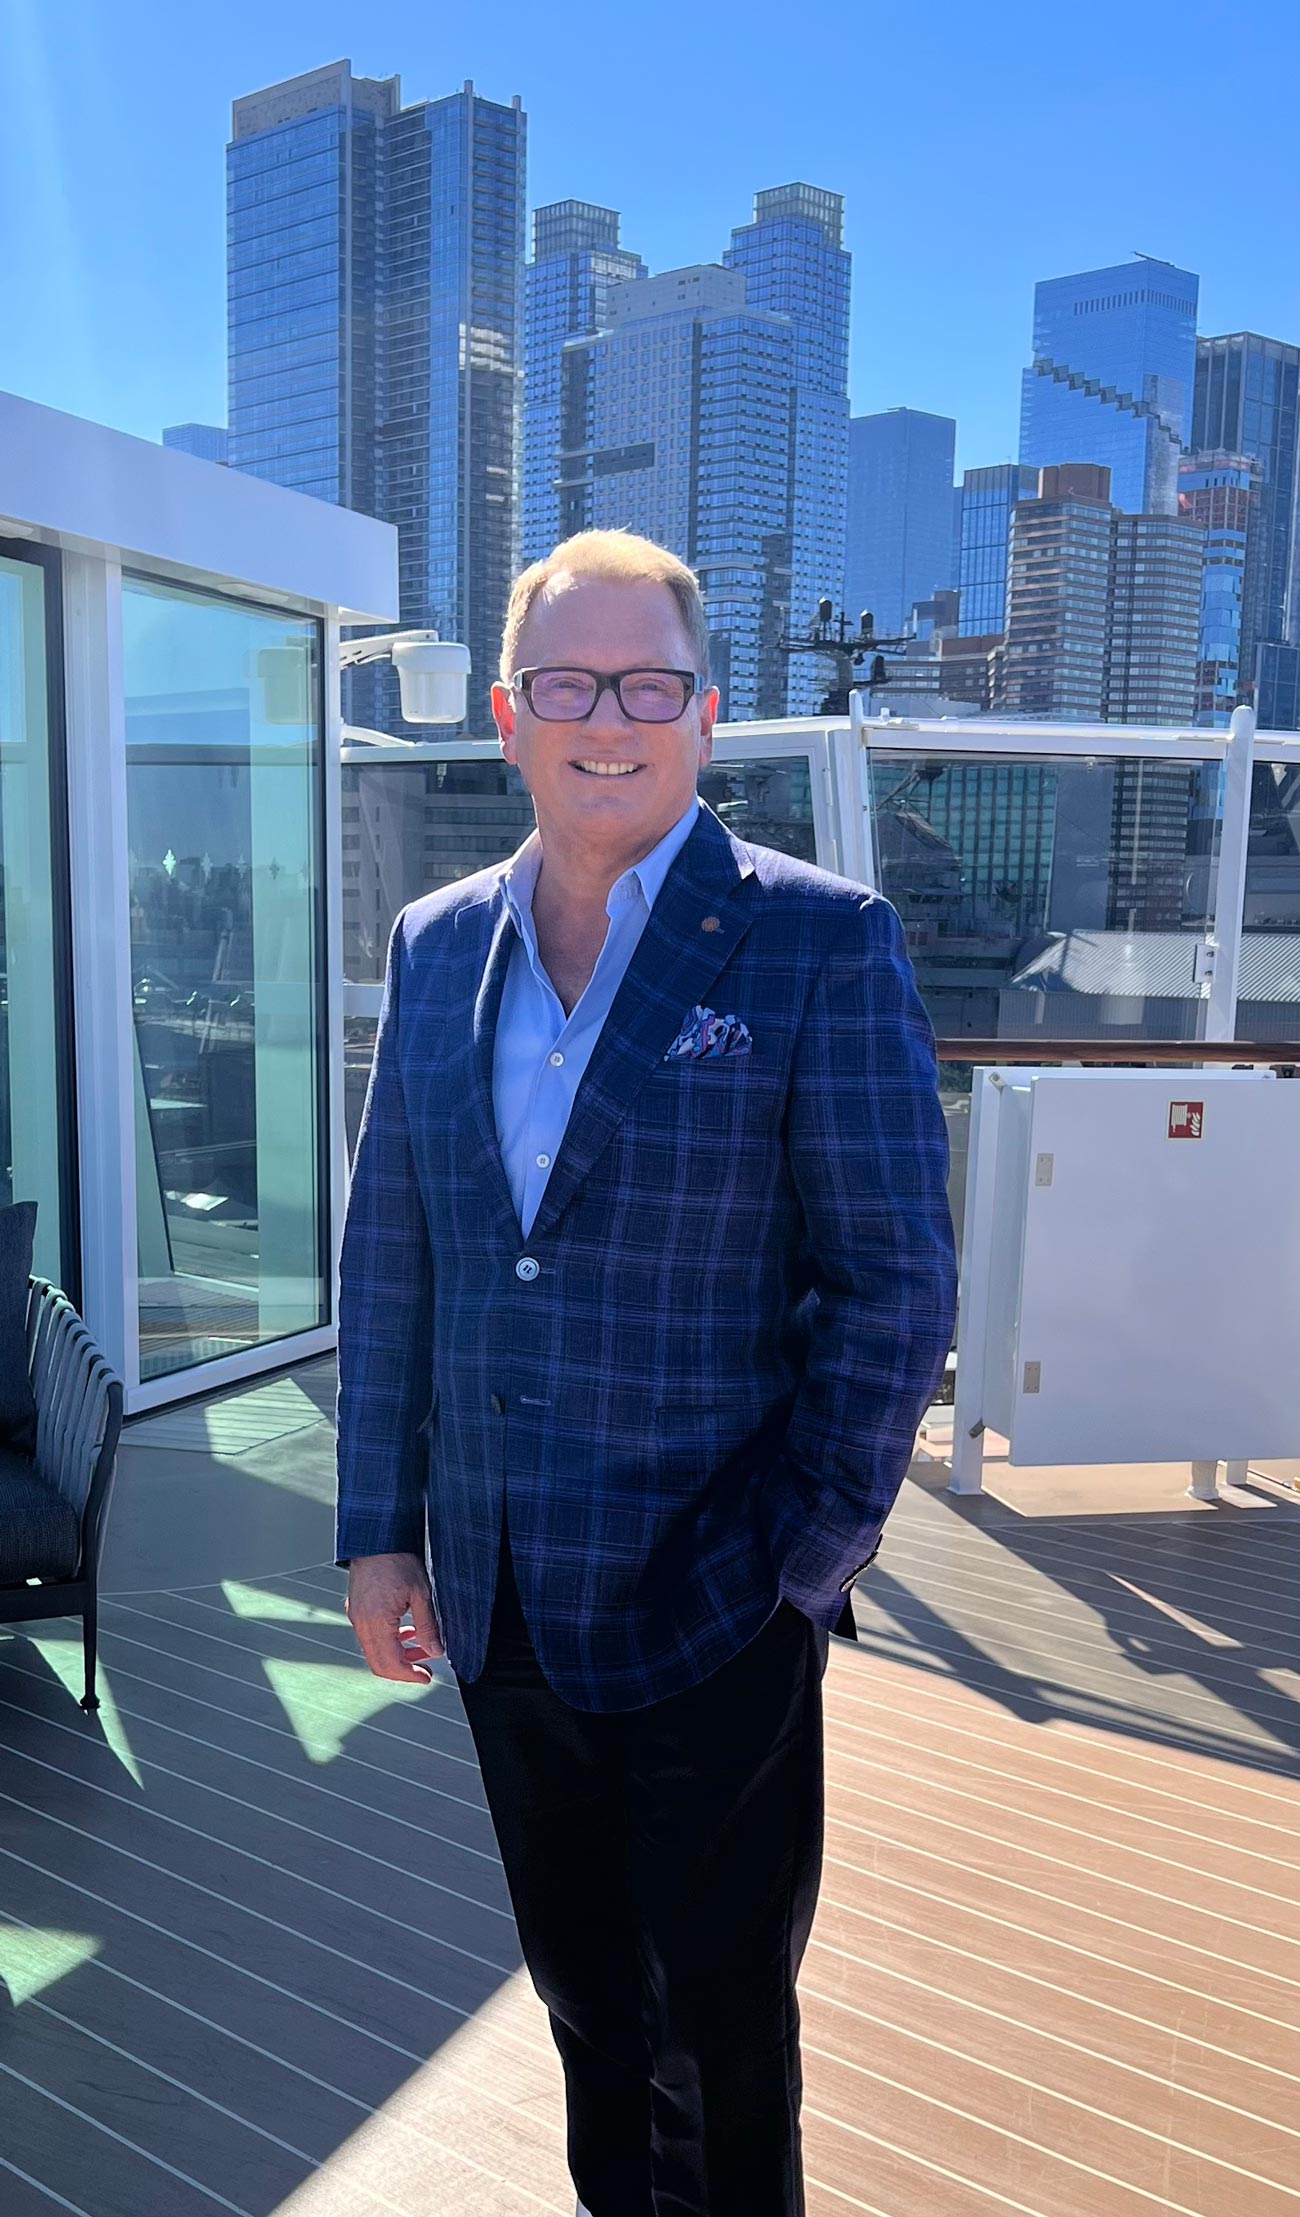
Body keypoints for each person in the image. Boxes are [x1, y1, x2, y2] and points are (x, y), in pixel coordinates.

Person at [336, 529, 957, 2217]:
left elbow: (895, 1285)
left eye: (645, 686)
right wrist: (379, 1531)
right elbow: (393, 1256)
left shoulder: (819, 943)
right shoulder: (436, 943)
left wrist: (802, 1560)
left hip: (717, 1594)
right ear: (507, 715)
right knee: (586, 2001)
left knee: (723, 2028)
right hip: (501, 1592)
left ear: (703, 713)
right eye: (567, 684)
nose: (605, 719)